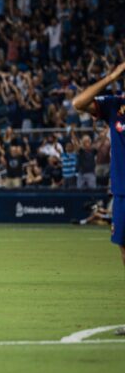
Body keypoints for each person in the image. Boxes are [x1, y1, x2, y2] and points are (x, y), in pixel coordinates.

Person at [72, 62, 125, 268]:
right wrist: (110, 78)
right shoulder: (115, 105)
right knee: (123, 245)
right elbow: (78, 103)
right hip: (122, 191)